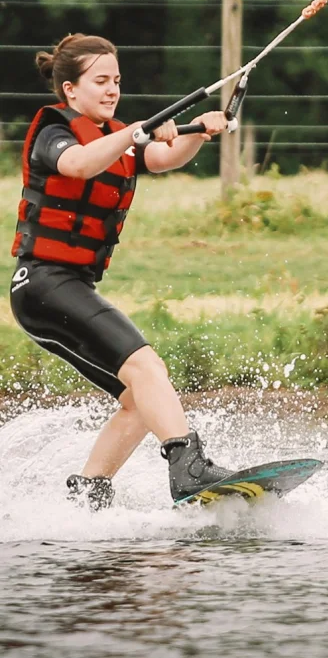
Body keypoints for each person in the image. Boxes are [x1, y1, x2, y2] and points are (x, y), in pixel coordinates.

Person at [10, 33, 233, 510]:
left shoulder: (118, 138)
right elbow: (78, 164)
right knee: (147, 367)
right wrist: (133, 133)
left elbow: (164, 157)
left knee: (140, 397)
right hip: (42, 283)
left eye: (117, 80)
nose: (112, 89)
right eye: (100, 81)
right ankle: (189, 468)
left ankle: (89, 495)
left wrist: (199, 132)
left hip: (69, 286)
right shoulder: (54, 131)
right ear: (70, 90)